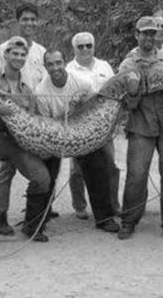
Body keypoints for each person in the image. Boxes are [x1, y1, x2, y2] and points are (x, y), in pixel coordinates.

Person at [0, 36, 53, 242]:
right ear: (5, 54)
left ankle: (32, 226)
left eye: (23, 55)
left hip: (16, 142)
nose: (19, 57)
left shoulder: (27, 89)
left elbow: (32, 119)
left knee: (42, 179)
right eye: (14, 53)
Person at [36, 49, 120, 233]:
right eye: (50, 64)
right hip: (56, 135)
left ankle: (104, 218)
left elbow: (93, 109)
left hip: (82, 131)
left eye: (58, 62)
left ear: (64, 62)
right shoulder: (41, 91)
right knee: (46, 170)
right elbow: (47, 123)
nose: (55, 67)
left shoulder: (82, 82)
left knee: (99, 167)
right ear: (45, 67)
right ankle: (40, 216)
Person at [117, 16, 163, 243]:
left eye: (152, 33)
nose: (148, 37)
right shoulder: (128, 64)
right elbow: (126, 104)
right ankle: (129, 221)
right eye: (144, 33)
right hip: (141, 126)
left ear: (157, 35)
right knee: (136, 175)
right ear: (136, 34)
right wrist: (134, 92)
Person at [0, 3, 48, 236]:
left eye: (33, 19)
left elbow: (43, 85)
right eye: (25, 19)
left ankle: (36, 214)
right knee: (7, 169)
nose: (29, 23)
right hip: (9, 117)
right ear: (18, 21)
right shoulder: (4, 47)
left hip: (34, 115)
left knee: (39, 170)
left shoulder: (42, 51)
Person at [66, 32, 121, 219]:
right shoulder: (68, 70)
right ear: (74, 49)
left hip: (105, 126)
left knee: (110, 166)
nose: (85, 49)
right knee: (77, 169)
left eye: (88, 45)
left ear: (93, 46)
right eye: (80, 46)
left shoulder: (104, 66)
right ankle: (79, 206)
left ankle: (113, 204)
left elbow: (116, 91)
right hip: (80, 126)